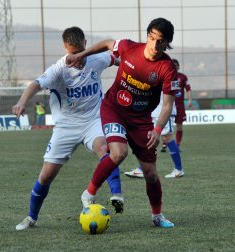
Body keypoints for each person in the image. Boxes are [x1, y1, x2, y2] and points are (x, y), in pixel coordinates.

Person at [66, 17, 180, 228]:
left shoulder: (167, 68)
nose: (154, 44)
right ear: (147, 36)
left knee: (151, 174)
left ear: (167, 43)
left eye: (160, 40)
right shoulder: (129, 47)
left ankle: (157, 216)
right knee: (118, 153)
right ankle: (89, 193)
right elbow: (108, 42)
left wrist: (157, 130)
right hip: (114, 110)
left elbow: (166, 106)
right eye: (151, 37)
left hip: (142, 121)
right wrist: (82, 54)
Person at [13, 27, 123, 231]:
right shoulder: (59, 69)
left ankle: (117, 194)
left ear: (85, 44)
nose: (78, 59)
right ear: (65, 48)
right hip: (66, 126)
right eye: (73, 53)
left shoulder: (96, 58)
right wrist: (21, 102)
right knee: (46, 176)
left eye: (81, 52)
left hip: (93, 120)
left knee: (105, 150)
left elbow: (120, 61)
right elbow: (35, 84)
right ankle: (31, 217)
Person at [125, 92, 184, 178]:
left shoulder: (170, 78)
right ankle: (142, 169)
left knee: (167, 138)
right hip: (154, 111)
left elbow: (177, 92)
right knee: (149, 138)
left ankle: (179, 169)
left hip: (164, 112)